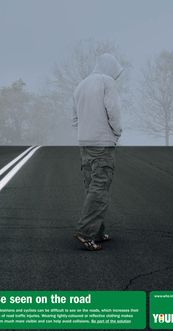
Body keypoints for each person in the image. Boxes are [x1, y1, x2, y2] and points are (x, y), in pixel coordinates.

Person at [72, 53, 123, 251]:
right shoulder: (107, 81)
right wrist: (116, 133)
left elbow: (74, 118)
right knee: (100, 189)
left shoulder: (80, 85)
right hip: (102, 144)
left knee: (91, 187)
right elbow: (114, 110)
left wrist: (84, 133)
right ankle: (86, 233)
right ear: (110, 67)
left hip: (84, 144)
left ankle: (98, 232)